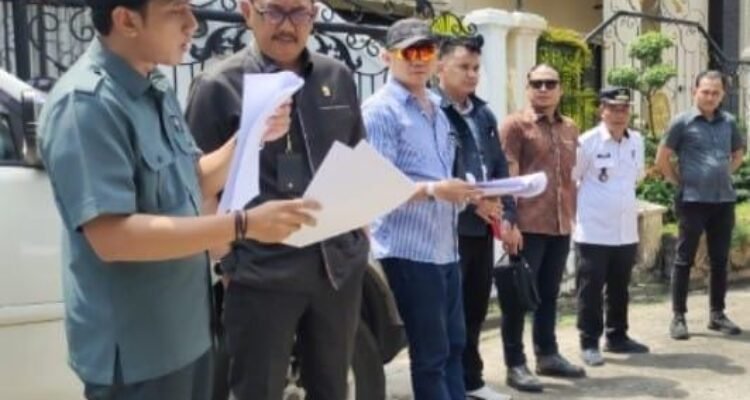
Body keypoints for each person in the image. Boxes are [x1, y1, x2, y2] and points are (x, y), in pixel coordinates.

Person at [38, 1, 317, 399]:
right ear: (126, 20)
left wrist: (251, 136)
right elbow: (113, 237)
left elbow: (191, 180)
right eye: (176, 11)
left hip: (186, 336)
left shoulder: (153, 85)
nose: (192, 24)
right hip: (139, 354)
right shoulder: (86, 104)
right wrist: (244, 225)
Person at [184, 0, 370, 398]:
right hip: (261, 275)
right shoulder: (218, 86)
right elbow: (197, 185)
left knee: (333, 388)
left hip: (335, 270)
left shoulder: (336, 76)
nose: (287, 25)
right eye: (275, 11)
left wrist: (361, 240)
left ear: (314, 14)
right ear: (247, 10)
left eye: (299, 13)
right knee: (258, 389)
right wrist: (228, 260)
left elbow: (357, 157)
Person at [362, 18, 481, 400]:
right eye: (408, 52)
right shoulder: (380, 111)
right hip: (407, 251)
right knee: (431, 355)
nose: (418, 60)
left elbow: (441, 177)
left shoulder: (438, 111)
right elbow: (375, 188)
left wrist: (465, 191)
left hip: (444, 247)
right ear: (387, 57)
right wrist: (434, 190)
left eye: (426, 51)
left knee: (454, 347)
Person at [434, 36, 520, 400]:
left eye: (475, 68)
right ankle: (447, 384)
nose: (471, 75)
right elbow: (438, 170)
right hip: (448, 228)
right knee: (446, 315)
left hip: (484, 228)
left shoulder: (483, 114)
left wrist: (508, 214)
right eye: (463, 67)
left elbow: (497, 166)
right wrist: (474, 202)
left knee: (475, 307)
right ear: (440, 68)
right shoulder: (433, 111)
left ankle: (472, 380)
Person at [499, 64, 585, 393]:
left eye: (551, 83)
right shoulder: (515, 126)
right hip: (527, 225)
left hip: (560, 224)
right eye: (537, 84)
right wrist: (509, 222)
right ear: (528, 88)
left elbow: (571, 176)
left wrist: (572, 213)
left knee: (548, 294)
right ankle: (515, 363)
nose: (544, 89)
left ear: (560, 89)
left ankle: (547, 354)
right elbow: (508, 174)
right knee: (518, 298)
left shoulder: (570, 127)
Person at [655, 70, 746, 340]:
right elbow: (662, 158)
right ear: (695, 91)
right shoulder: (681, 122)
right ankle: (678, 317)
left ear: (722, 95)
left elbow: (738, 153)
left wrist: (723, 173)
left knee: (719, 260)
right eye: (705, 91)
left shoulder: (729, 122)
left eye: (715, 93)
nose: (710, 97)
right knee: (684, 259)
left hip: (723, 201)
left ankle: (717, 315)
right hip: (692, 201)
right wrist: (679, 181)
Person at [573, 87, 650, 367]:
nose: (619, 114)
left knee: (620, 287)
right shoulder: (587, 142)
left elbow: (637, 177)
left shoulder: (636, 141)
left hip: (625, 228)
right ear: (601, 111)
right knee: (590, 288)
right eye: (613, 109)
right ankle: (589, 342)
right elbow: (573, 179)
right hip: (594, 229)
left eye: (624, 109)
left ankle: (617, 336)